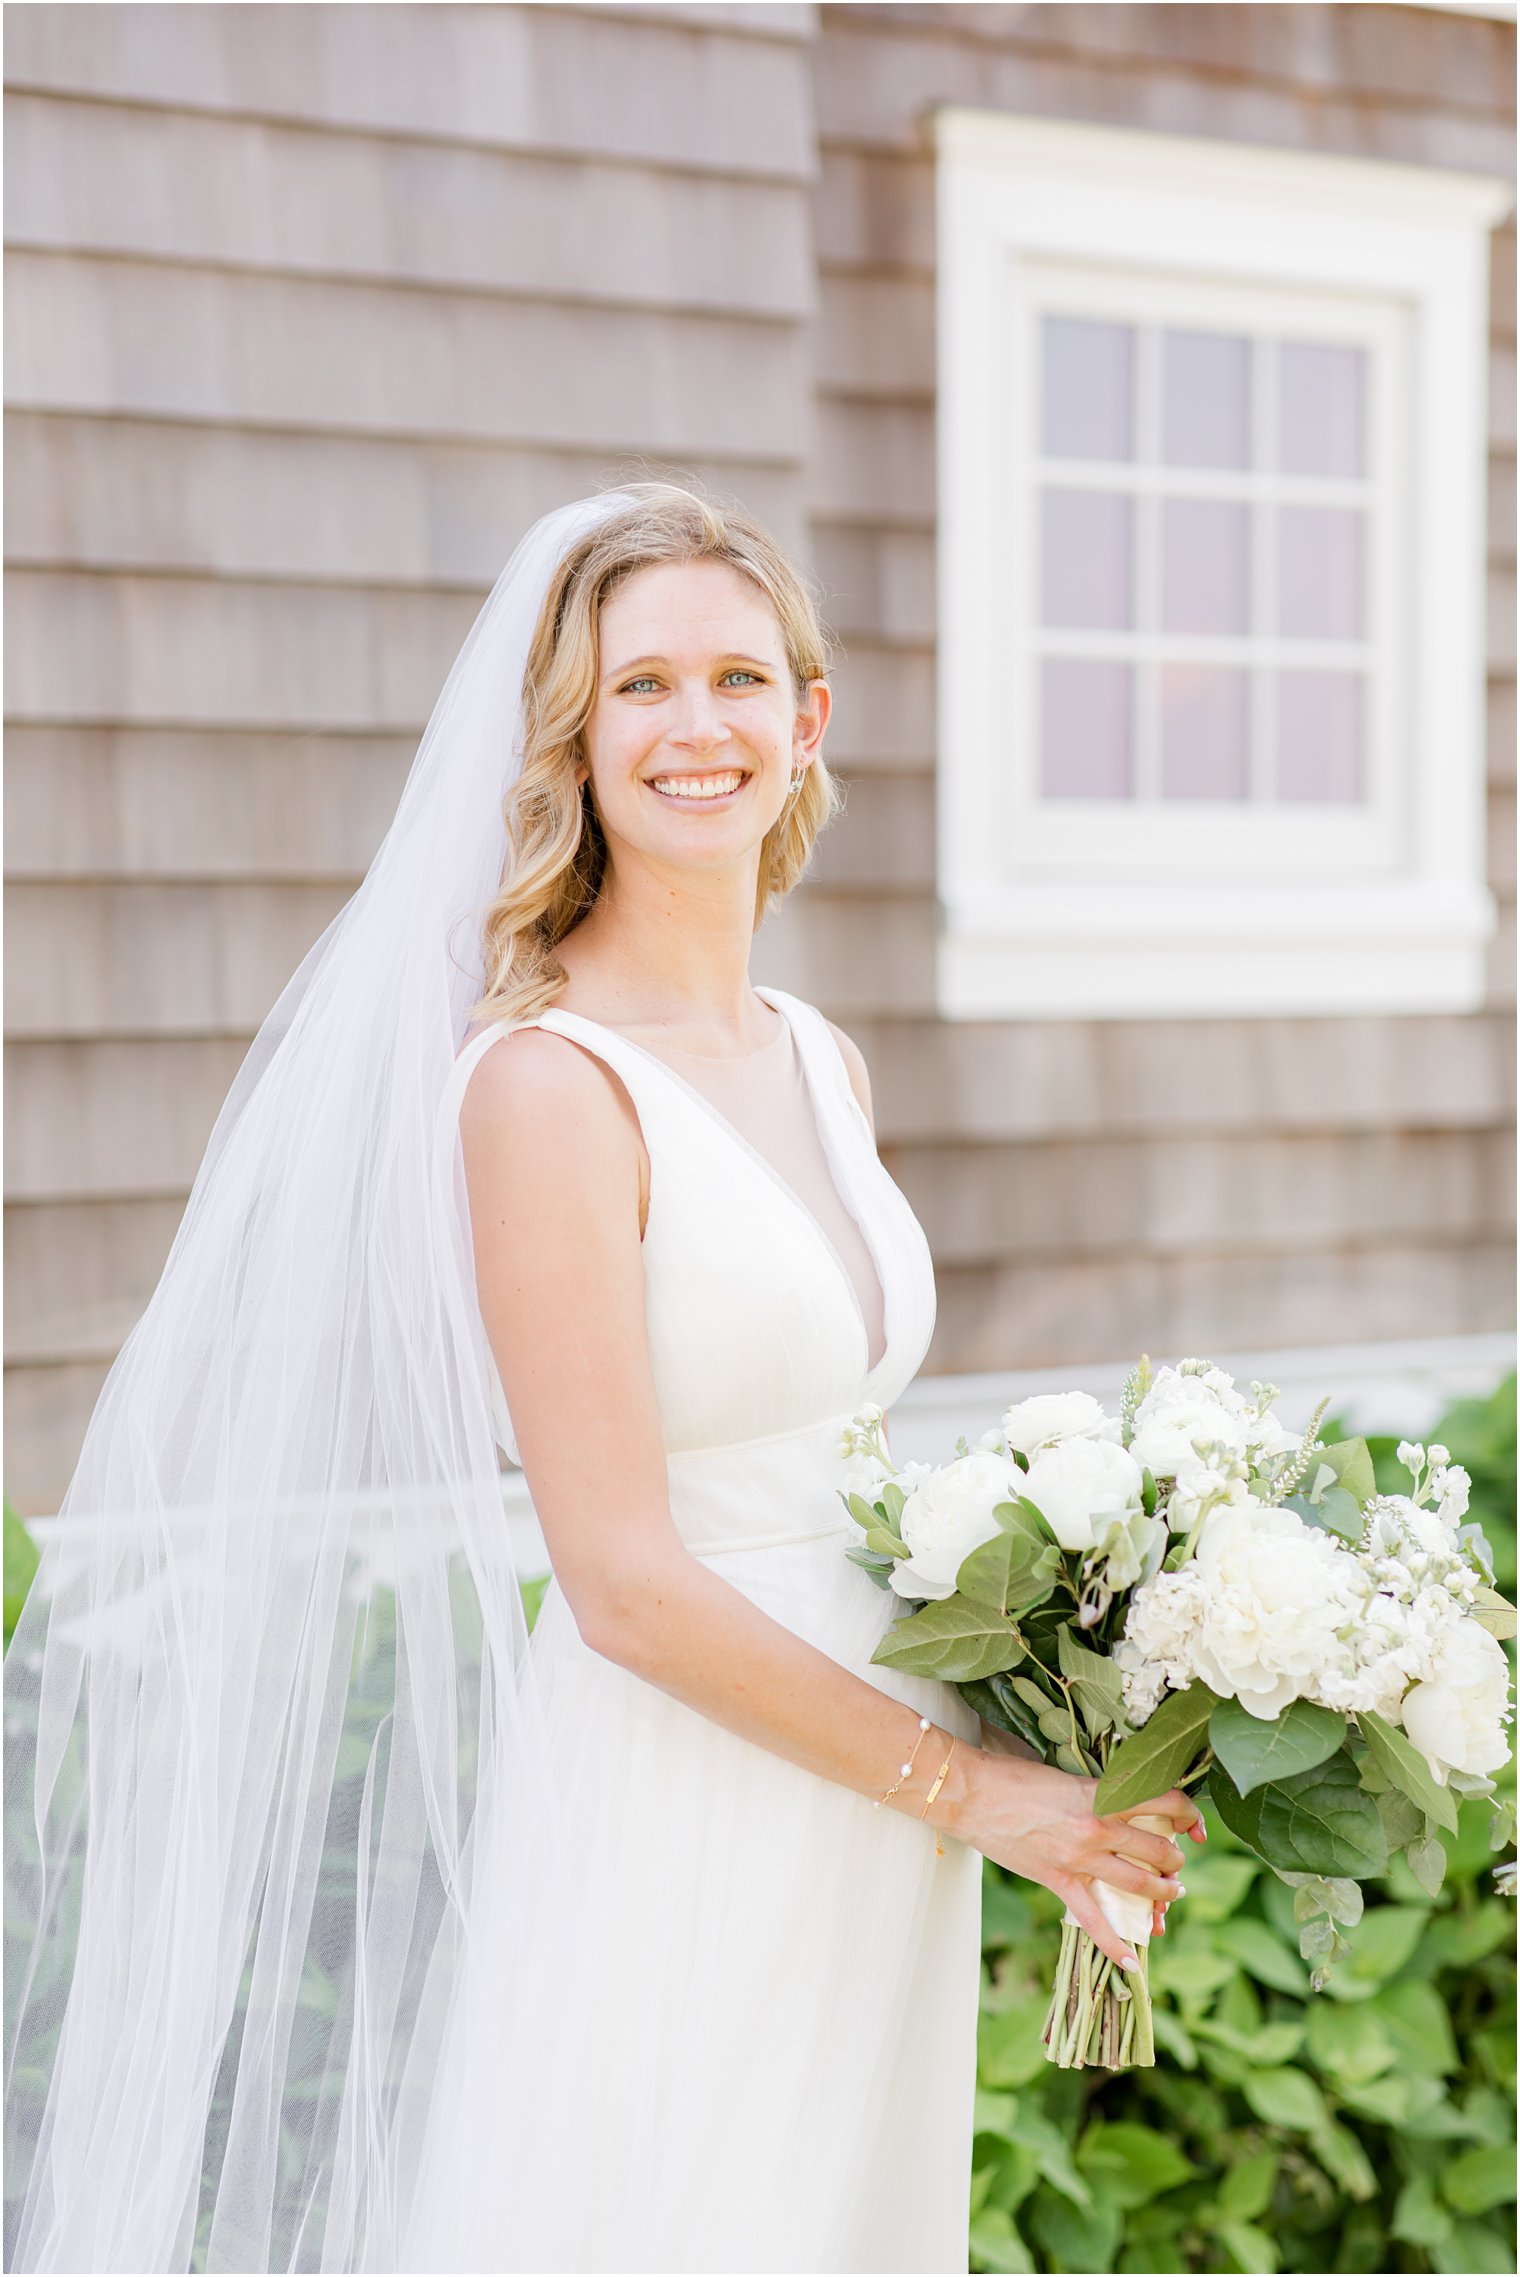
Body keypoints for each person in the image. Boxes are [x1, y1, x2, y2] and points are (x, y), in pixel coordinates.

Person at [3, 484, 1200, 2277]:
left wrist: (1059, 1728)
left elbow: (844, 1475)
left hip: (874, 1807)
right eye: (641, 686)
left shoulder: (818, 1056)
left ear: (807, 720)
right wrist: (986, 1798)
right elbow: (627, 1583)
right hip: (689, 1797)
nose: (696, 725)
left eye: (738, 676)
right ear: (572, 735)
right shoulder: (544, 1088)